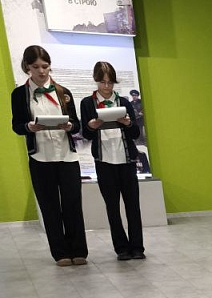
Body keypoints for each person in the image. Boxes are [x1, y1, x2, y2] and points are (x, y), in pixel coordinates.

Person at [11, 45, 87, 266]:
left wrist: (70, 126)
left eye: (45, 66)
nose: (41, 71)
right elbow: (17, 126)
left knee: (73, 204)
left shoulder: (63, 91)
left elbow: (77, 124)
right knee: (49, 206)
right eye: (36, 67)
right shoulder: (19, 94)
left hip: (67, 156)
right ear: (27, 67)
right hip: (40, 157)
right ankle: (60, 253)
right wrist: (29, 127)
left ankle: (78, 250)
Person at [79, 61, 144, 261]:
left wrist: (128, 123)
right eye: (103, 82)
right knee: (112, 206)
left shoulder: (123, 101)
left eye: (110, 82)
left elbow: (135, 133)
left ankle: (137, 247)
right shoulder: (87, 103)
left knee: (133, 205)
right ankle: (121, 248)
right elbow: (86, 135)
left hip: (126, 159)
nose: (107, 87)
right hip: (104, 161)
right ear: (96, 81)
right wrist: (91, 126)